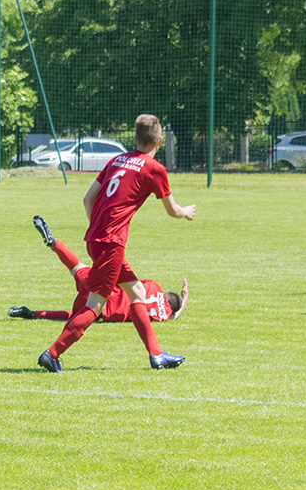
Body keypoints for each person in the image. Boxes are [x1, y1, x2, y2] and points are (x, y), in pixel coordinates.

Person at [37, 114, 195, 373]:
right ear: (160, 141)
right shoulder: (154, 169)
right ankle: (52, 353)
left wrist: (98, 229)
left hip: (96, 239)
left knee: (138, 293)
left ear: (135, 139)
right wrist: (185, 211)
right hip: (111, 243)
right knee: (95, 305)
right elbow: (172, 210)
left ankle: (156, 355)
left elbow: (88, 199)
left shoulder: (117, 160)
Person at [8, 216, 189, 323]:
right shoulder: (163, 315)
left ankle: (55, 244)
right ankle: (32, 313)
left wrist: (184, 295)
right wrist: (185, 300)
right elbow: (174, 316)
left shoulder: (153, 286)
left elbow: (131, 282)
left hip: (101, 286)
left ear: (165, 294)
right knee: (73, 316)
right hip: (100, 310)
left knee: (74, 266)